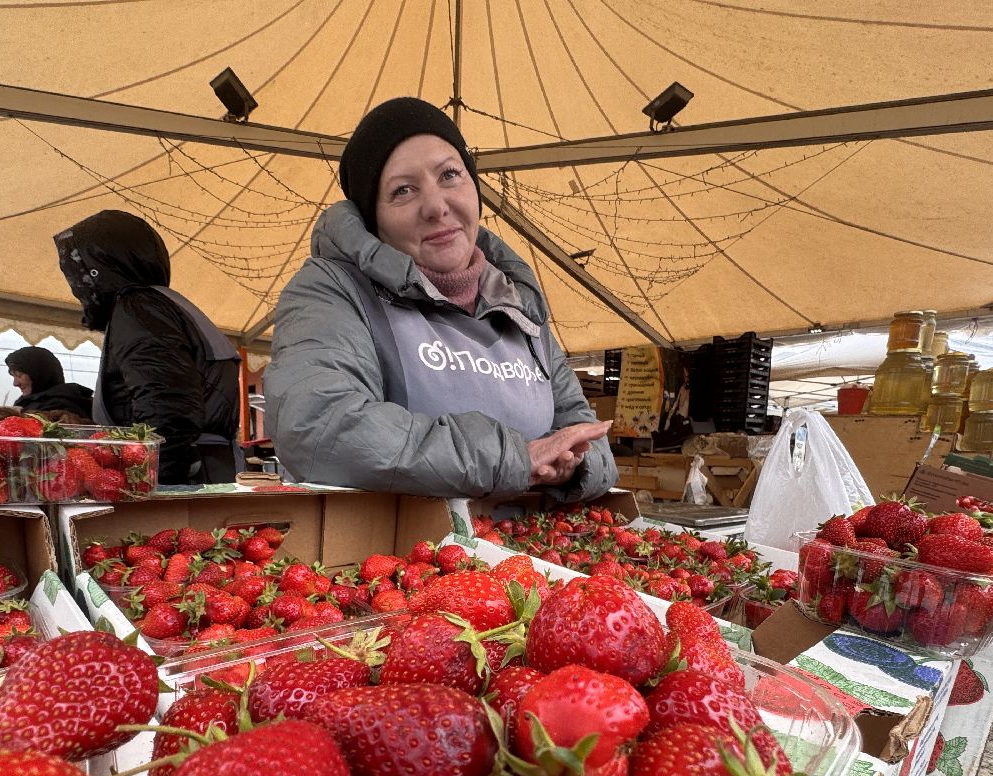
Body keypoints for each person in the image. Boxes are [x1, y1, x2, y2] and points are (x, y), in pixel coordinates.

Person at [266, 97, 615, 500]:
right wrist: (517, 458)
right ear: (372, 216)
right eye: (403, 190)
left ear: (474, 187)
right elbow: (318, 426)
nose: (435, 206)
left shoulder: (518, 303)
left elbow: (591, 436)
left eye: (450, 174)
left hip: (531, 555)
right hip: (395, 557)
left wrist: (573, 463)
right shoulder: (333, 291)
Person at [53, 210, 243, 484]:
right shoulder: (164, 305)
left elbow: (166, 407)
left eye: (78, 268)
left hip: (184, 477)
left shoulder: (139, 308)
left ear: (103, 266)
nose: (76, 285)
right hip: (207, 468)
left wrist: (152, 485)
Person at [4, 346, 94, 420]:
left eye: (19, 375)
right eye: (13, 376)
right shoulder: (26, 403)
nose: (15, 383)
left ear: (38, 374)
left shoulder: (65, 407)